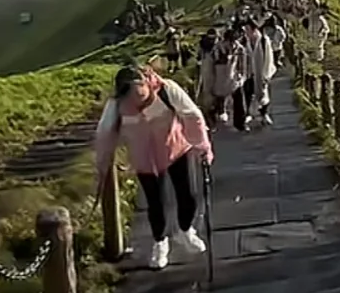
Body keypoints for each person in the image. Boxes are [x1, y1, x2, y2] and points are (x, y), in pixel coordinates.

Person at [92, 64, 213, 270]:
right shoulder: (116, 105)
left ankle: (185, 231)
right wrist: (103, 166)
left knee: (188, 195)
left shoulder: (167, 90)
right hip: (145, 160)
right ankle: (160, 242)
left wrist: (202, 145)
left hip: (175, 150)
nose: (137, 103)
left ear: (147, 83)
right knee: (155, 202)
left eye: (141, 96)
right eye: (132, 99)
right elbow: (105, 136)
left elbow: (192, 115)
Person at [236, 19, 277, 131]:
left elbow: (268, 58)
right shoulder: (243, 41)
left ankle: (264, 114)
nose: (246, 32)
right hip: (248, 73)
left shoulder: (264, 41)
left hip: (260, 71)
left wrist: (266, 75)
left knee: (262, 94)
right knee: (247, 93)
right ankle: (248, 114)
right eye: (245, 30)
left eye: (248, 30)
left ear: (254, 30)